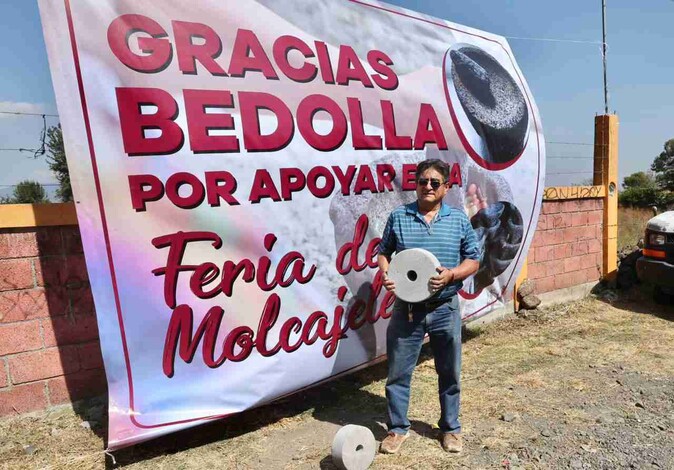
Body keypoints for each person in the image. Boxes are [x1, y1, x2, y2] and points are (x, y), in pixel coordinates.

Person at [377, 158, 480, 454]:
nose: (428, 187)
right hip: (407, 309)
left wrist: (451, 275)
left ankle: (451, 428)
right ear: (416, 185)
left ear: (446, 188)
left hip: (444, 308)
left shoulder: (458, 219)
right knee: (398, 372)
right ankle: (397, 429)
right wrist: (386, 274)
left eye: (435, 182)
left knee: (449, 371)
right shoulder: (399, 217)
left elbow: (473, 260)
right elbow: (384, 253)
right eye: (422, 181)